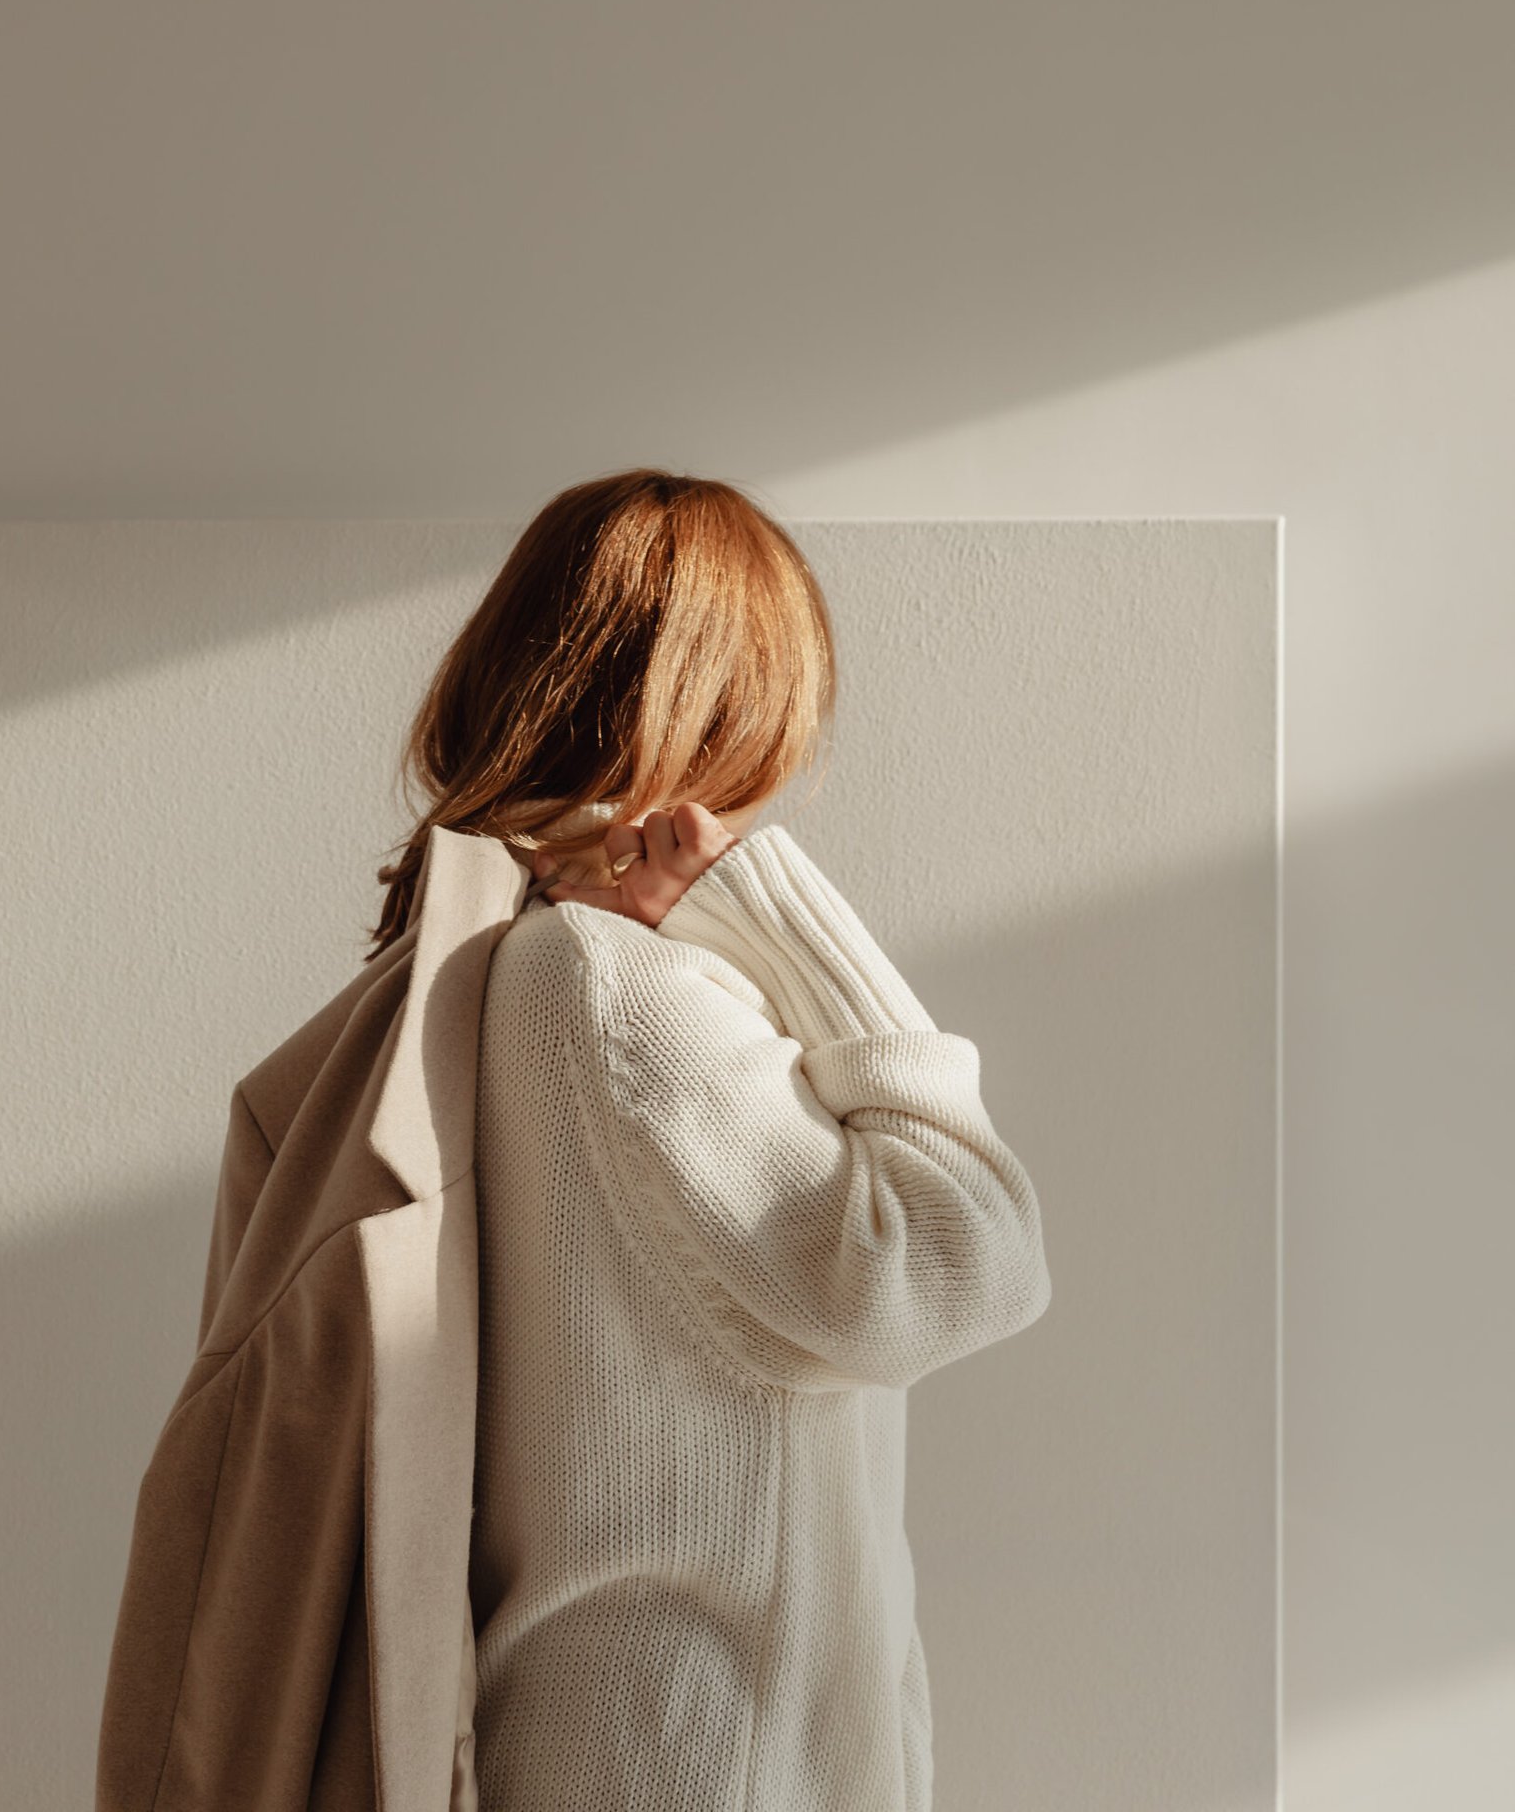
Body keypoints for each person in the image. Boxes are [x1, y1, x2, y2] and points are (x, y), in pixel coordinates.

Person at [368, 466, 1053, 1812]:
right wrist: (770, 906)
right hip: (697, 1754)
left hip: (635, 1737)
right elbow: (963, 1260)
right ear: (730, 708)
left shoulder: (518, 964)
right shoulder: (617, 990)